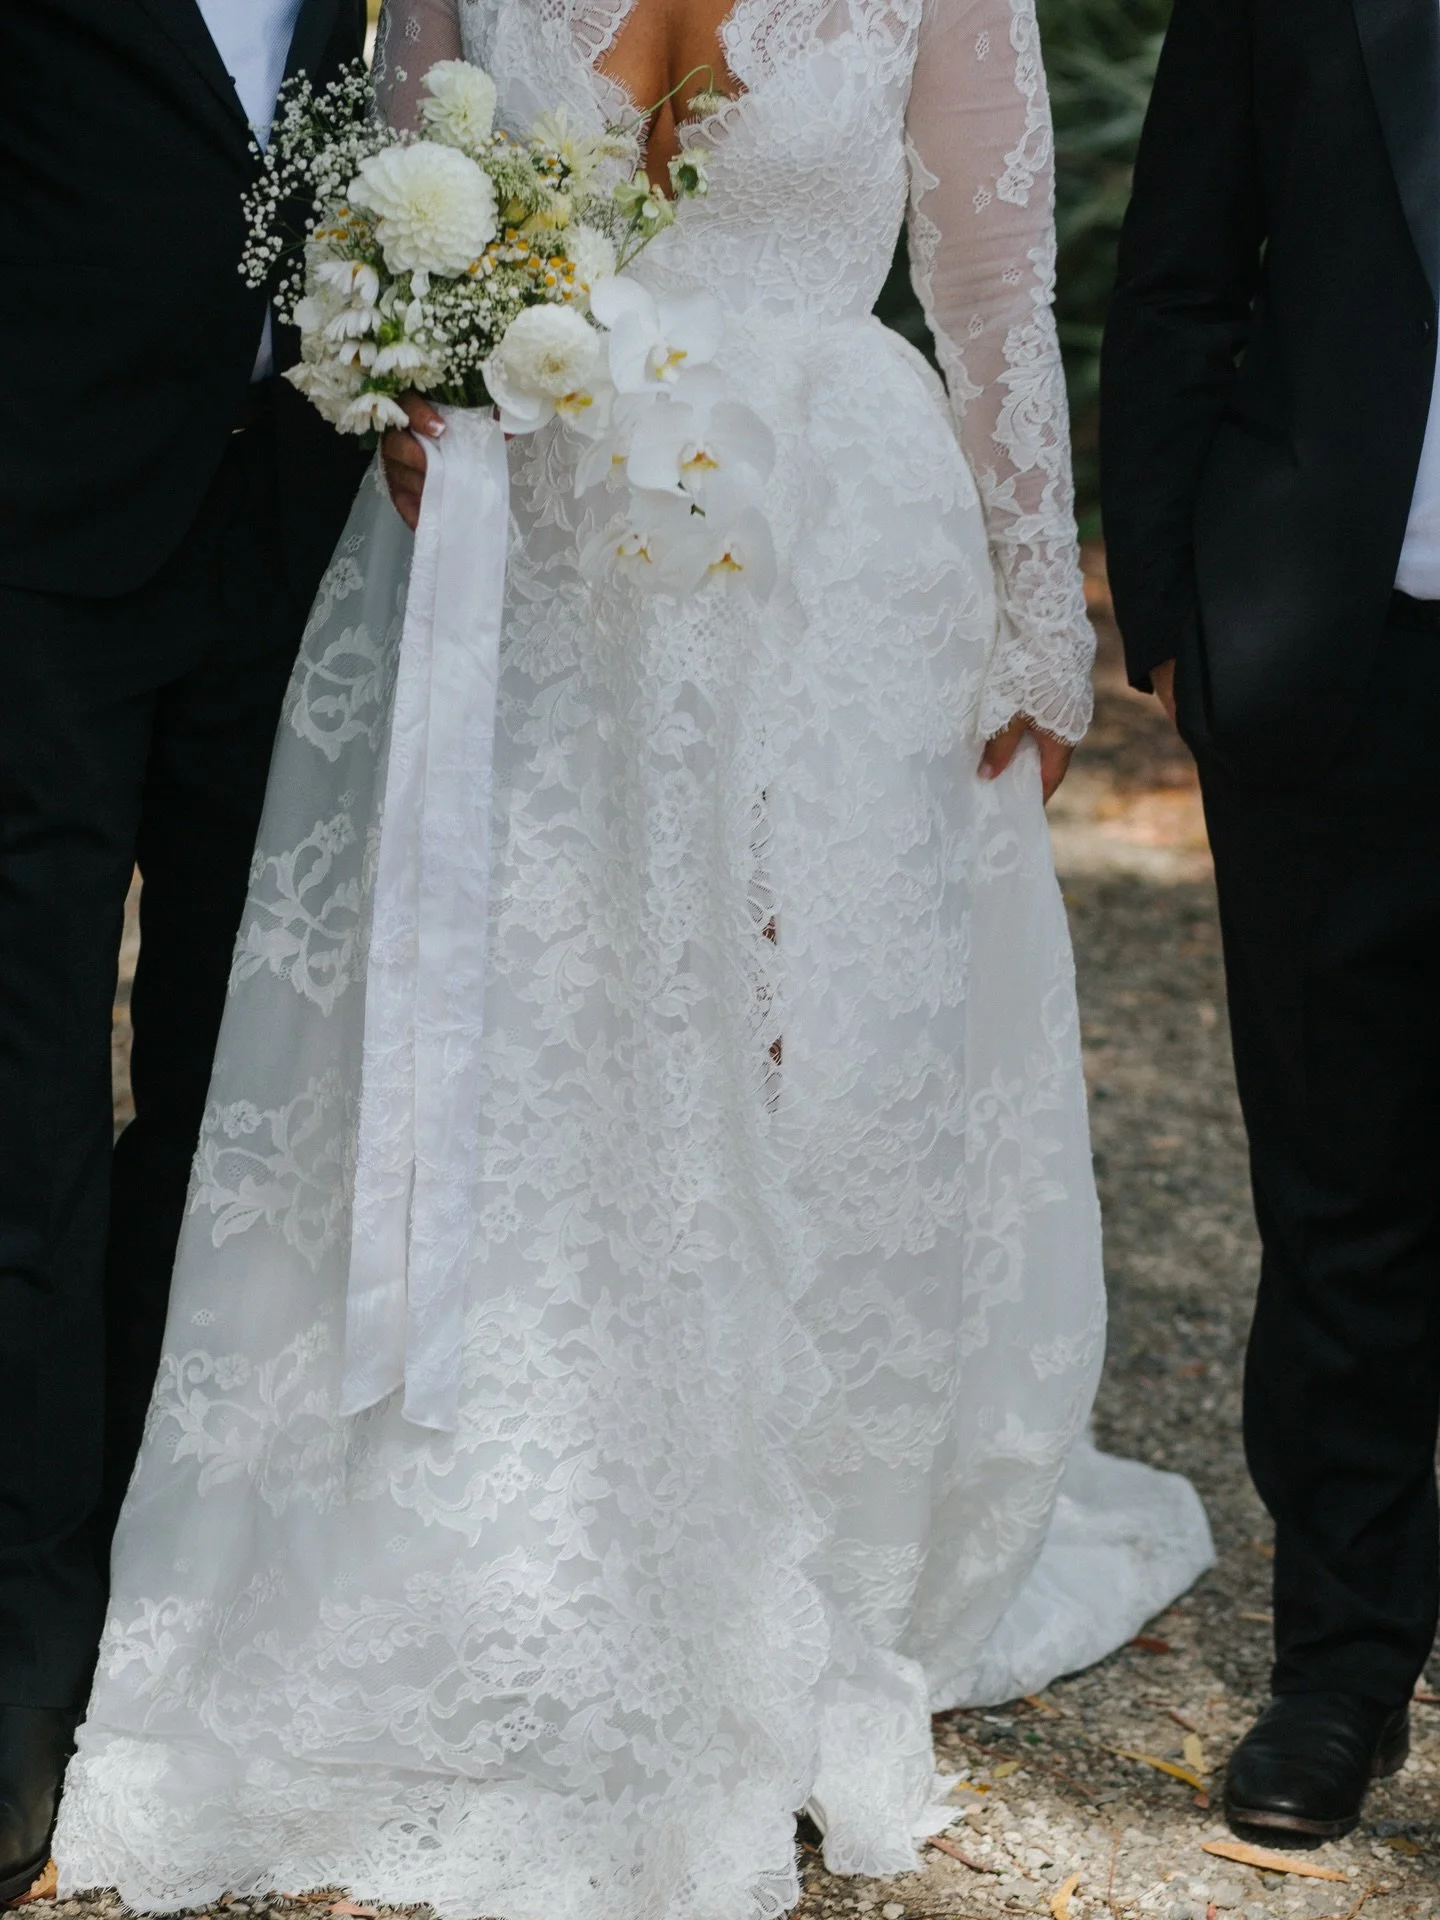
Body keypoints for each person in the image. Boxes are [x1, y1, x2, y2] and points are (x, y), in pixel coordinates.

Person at [56, 3, 1212, 1915]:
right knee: (520, 1018)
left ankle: (791, 1528)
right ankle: (476, 1520)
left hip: (829, 542)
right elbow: (398, 199)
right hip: (531, 543)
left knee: (814, 1038)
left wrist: (1034, 598)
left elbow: (993, 280)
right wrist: (410, 389)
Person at [0, 0, 366, 1899]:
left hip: (297, 553)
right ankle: (19, 1636)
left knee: (240, 1104)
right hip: (32, 550)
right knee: (26, 1104)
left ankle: (166, 1580)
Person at [1101, 0, 1440, 1847]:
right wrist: (1174, 611)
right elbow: (1176, 277)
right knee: (1341, 1187)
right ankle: (1342, 1667)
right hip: (1334, 658)